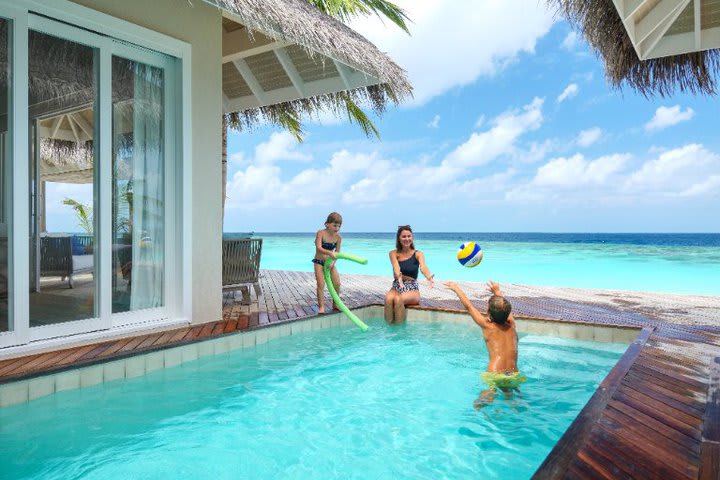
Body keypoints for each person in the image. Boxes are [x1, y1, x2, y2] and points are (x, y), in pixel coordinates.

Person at [445, 280, 526, 409]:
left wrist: (455, 288)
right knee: (511, 395)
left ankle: (485, 401)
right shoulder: (512, 326)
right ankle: (515, 404)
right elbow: (506, 311)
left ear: (488, 313)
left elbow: (469, 307)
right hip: (513, 373)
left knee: (489, 393)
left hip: (494, 372)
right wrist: (497, 292)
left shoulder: (487, 326)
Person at [384, 225, 434, 324]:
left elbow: (423, 267)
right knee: (388, 299)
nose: (407, 239)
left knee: (398, 299)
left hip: (412, 287)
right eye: (404, 236)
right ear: (399, 238)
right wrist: (398, 275)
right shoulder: (393, 253)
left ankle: (399, 331)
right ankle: (389, 329)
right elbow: (396, 266)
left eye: (409, 236)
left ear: (412, 237)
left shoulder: (418, 254)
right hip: (396, 286)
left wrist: (429, 277)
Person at [313, 212, 343, 313]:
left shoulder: (338, 237)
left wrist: (333, 263)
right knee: (321, 284)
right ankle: (321, 307)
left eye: (339, 226)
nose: (337, 228)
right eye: (335, 225)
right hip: (319, 262)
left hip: (330, 264)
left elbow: (338, 253)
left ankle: (335, 304)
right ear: (327, 224)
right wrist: (330, 252)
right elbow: (318, 248)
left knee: (337, 283)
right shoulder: (320, 233)